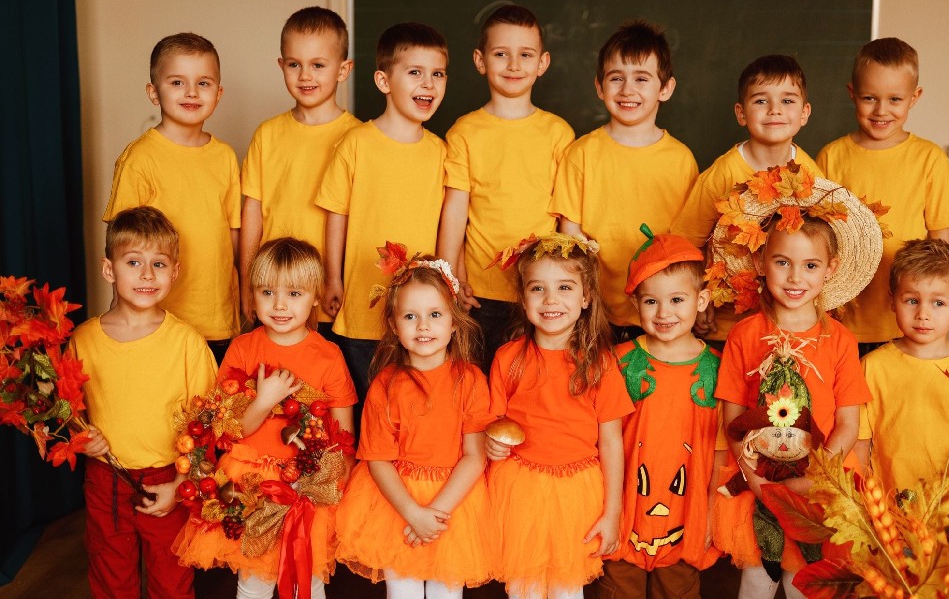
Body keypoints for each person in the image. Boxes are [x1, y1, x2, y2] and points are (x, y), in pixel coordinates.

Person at [709, 163, 879, 597]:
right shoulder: (745, 334)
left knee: (806, 582)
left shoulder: (840, 340)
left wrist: (816, 477)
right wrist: (756, 480)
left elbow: (848, 423)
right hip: (759, 480)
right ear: (761, 262)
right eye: (782, 262)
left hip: (821, 481)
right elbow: (733, 419)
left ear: (830, 269)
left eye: (810, 265)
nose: (795, 277)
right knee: (757, 579)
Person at [172, 237, 357, 599]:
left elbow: (343, 440)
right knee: (254, 581)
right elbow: (230, 431)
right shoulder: (243, 349)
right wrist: (264, 400)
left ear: (316, 296)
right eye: (267, 292)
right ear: (253, 294)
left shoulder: (329, 356)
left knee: (308, 578)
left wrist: (324, 488)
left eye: (294, 293)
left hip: (307, 486)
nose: (279, 305)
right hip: (250, 483)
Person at [71, 206, 216, 599]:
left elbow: (206, 425)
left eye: (159, 264)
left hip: (169, 478)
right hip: (105, 480)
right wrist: (81, 438)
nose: (147, 275)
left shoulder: (187, 343)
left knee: (172, 581)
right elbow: (70, 413)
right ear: (109, 269)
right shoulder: (83, 341)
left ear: (175, 272)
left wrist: (181, 485)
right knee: (111, 576)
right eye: (133, 262)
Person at [335, 244, 494, 598]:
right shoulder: (386, 384)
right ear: (394, 325)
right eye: (410, 316)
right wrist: (413, 514)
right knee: (402, 593)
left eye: (435, 314)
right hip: (397, 504)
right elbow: (377, 459)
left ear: (454, 321)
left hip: (453, 504)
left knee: (445, 594)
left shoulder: (471, 381)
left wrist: (434, 514)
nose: (423, 326)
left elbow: (475, 455)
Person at [487, 233, 634, 598]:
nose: (550, 300)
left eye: (565, 287)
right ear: (523, 299)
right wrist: (493, 446)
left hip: (577, 492)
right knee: (523, 586)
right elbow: (491, 425)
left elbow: (611, 441)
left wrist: (612, 512)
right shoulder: (508, 358)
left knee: (567, 589)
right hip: (520, 489)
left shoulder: (600, 364)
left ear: (586, 297)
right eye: (538, 288)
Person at [316, 22, 448, 424]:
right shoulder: (356, 143)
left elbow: (448, 225)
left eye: (438, 74)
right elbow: (336, 215)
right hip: (361, 311)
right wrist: (332, 277)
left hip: (420, 316)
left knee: (410, 414)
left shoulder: (441, 152)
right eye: (415, 72)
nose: (428, 83)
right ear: (383, 81)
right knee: (366, 415)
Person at [437, 4, 574, 371]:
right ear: (480, 61)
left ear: (542, 63)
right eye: (501, 54)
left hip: (542, 292)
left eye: (525, 55)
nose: (514, 65)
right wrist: (450, 277)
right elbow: (455, 212)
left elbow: (566, 217)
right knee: (477, 383)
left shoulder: (558, 133)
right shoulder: (465, 132)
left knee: (533, 385)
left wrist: (565, 284)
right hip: (479, 294)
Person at [588, 227, 723, 598]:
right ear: (636, 304)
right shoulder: (618, 363)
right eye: (651, 301)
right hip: (623, 511)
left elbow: (723, 454)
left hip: (686, 514)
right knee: (617, 590)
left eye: (677, 299)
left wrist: (711, 513)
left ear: (702, 300)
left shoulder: (717, 370)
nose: (664, 313)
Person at [816, 38, 949, 354]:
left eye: (895, 99)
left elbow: (940, 251)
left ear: (915, 97)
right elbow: (816, 237)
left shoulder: (930, 159)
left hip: (907, 321)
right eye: (869, 98)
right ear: (852, 93)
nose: (881, 110)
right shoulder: (832, 157)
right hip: (840, 318)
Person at [550, 21, 697, 342]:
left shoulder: (681, 159)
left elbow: (690, 241)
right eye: (616, 78)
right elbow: (570, 237)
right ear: (599, 87)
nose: (627, 90)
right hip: (596, 314)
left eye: (641, 79)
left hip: (664, 314)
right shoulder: (581, 154)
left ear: (665, 88)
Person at [103, 32, 240, 364]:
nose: (191, 92)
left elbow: (233, 232)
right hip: (158, 318)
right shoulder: (140, 159)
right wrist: (122, 312)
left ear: (218, 93)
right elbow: (120, 242)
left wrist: (244, 294)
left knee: (215, 397)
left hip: (217, 318)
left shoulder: (224, 156)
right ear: (154, 92)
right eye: (177, 82)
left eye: (203, 83)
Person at [671, 54, 821, 344]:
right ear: (741, 113)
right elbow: (687, 242)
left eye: (787, 101)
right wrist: (697, 297)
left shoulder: (809, 175)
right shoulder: (722, 174)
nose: (775, 110)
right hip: (726, 322)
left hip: (785, 322)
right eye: (761, 101)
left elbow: (820, 246)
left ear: (804, 113)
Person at [239, 7, 360, 334]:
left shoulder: (358, 137)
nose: (305, 76)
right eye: (294, 65)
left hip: (330, 296)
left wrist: (335, 279)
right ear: (282, 66)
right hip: (273, 295)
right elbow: (252, 213)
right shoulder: (267, 134)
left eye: (318, 65)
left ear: (343, 70)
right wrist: (247, 282)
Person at [854, 239, 949, 493]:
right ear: (892, 301)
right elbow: (860, 444)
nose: (923, 314)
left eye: (938, 303)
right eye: (911, 301)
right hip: (889, 508)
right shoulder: (871, 367)